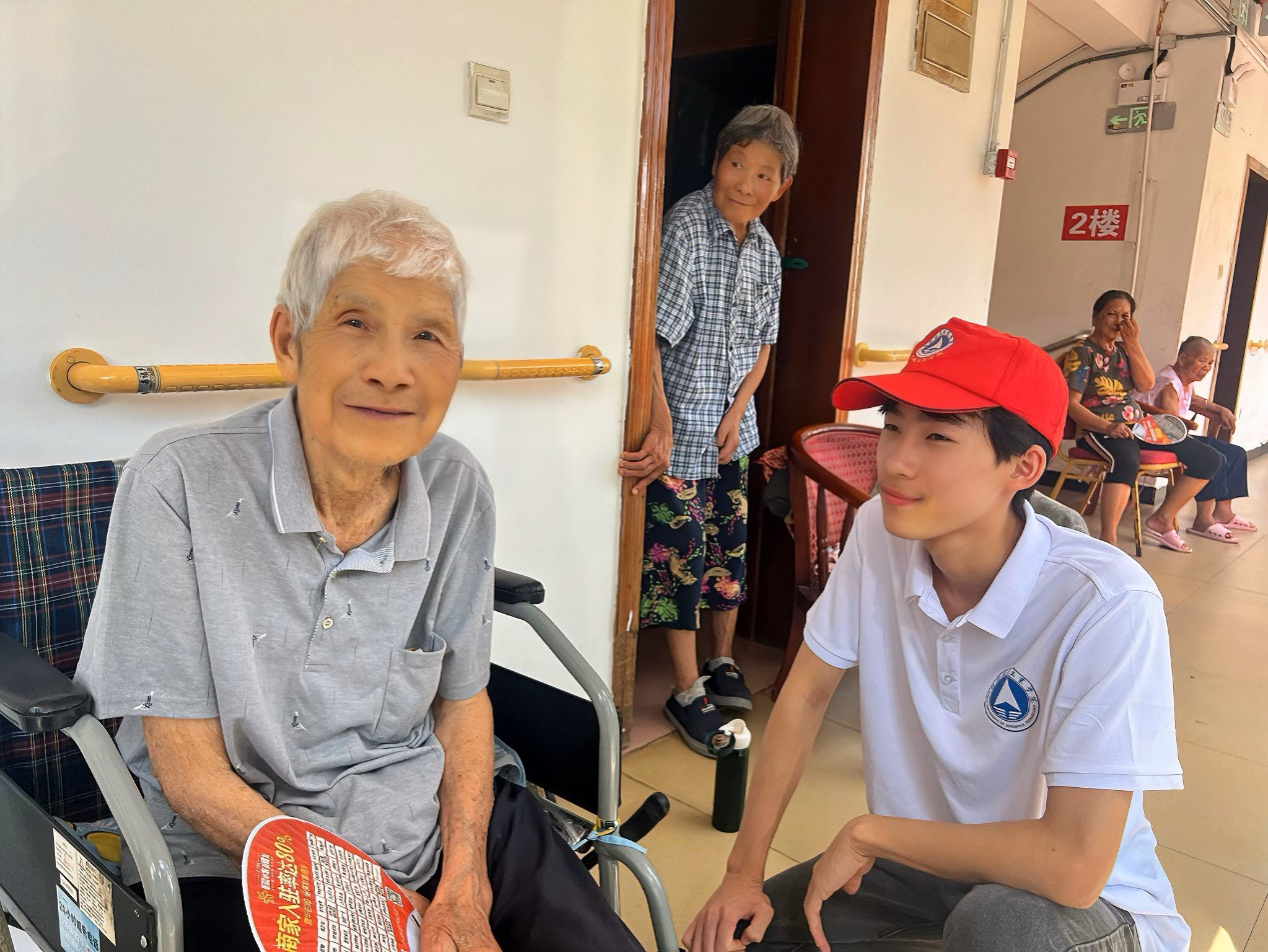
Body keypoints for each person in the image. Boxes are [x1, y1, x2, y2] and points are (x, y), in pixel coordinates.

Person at [75, 192, 644, 952]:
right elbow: (189, 774)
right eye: (355, 323)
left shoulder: (457, 487)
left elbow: (462, 705)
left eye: (427, 335)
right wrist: (372, 905)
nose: (393, 371)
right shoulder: (178, 483)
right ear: (289, 341)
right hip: (235, 853)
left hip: (429, 822)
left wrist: (464, 883)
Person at [684, 319, 1188, 952]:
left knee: (1001, 927)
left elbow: (1073, 866)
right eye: (893, 425)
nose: (895, 461)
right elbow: (806, 693)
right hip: (926, 866)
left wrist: (870, 833)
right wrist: (742, 874)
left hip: (1080, 906)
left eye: (938, 436)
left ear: (1024, 466)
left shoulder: (1106, 602)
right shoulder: (878, 532)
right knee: (741, 936)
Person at [618, 105, 798, 756]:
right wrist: (662, 420)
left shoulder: (767, 249)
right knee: (681, 559)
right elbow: (650, 337)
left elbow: (763, 345)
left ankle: (721, 661)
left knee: (727, 549)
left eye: (764, 174)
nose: (745, 183)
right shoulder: (687, 227)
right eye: (736, 164)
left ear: (782, 186)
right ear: (718, 161)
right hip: (683, 426)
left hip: (731, 430)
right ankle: (684, 688)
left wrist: (738, 410)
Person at [1062, 290, 1221, 553]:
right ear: (1095, 317)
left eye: (1125, 316)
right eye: (1111, 314)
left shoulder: (1124, 351)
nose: (1118, 321)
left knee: (1208, 458)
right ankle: (1108, 541)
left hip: (1137, 425)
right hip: (1098, 427)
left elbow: (1146, 384)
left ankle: (1161, 519)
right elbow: (1071, 404)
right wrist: (1107, 426)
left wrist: (1133, 343)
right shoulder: (1082, 352)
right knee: (1127, 458)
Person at [1136, 335, 1256, 543]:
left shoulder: (1183, 381)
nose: (1206, 367)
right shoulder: (1168, 383)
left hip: (1174, 436)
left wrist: (1219, 409)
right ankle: (1203, 520)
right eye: (1202, 361)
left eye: (1210, 363)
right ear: (1182, 358)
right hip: (1157, 438)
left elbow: (1193, 401)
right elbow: (1172, 425)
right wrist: (1191, 424)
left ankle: (1223, 512)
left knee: (1236, 453)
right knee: (1213, 457)